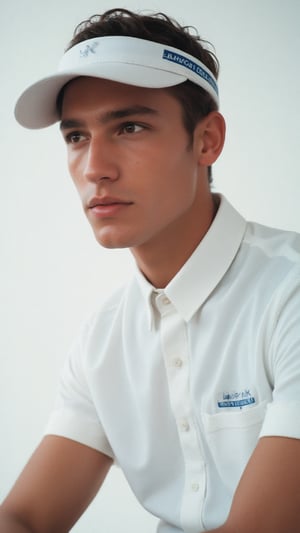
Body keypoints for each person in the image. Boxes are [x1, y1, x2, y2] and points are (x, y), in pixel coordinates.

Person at [2, 7, 300, 533]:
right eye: (75, 136)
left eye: (130, 126)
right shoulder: (104, 339)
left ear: (206, 141)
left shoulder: (289, 293)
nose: (95, 167)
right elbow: (25, 516)